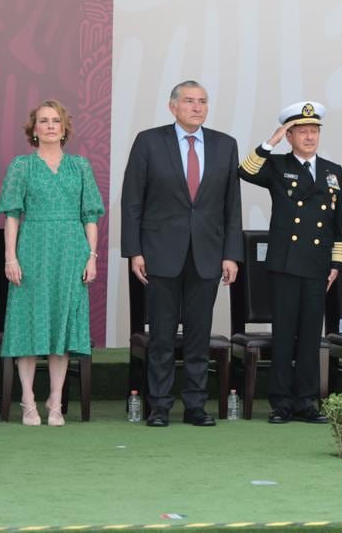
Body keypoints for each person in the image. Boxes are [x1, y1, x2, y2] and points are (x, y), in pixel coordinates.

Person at [121, 80, 243, 427]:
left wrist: (231, 254)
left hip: (207, 253)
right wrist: (134, 250)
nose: (197, 107)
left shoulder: (224, 145)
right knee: (161, 335)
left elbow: (231, 206)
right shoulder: (149, 141)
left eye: (203, 101)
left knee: (198, 336)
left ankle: (195, 406)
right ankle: (159, 406)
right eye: (189, 101)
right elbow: (132, 200)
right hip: (160, 252)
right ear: (172, 106)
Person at [237, 101, 342, 424]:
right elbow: (245, 170)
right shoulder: (277, 165)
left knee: (311, 335)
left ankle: (306, 402)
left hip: (317, 266)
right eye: (302, 132)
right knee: (285, 334)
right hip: (285, 263)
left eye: (314, 131)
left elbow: (339, 225)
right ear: (290, 136)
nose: (310, 137)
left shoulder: (332, 171)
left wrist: (336, 265)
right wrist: (269, 142)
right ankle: (281, 403)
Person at [0, 100, 104, 426]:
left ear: (64, 127)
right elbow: (12, 214)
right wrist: (10, 257)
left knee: (63, 327)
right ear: (34, 130)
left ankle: (55, 402)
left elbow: (90, 216)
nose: (50, 126)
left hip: (71, 252)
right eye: (43, 121)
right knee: (29, 326)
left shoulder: (80, 166)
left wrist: (92, 256)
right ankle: (28, 401)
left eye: (56, 120)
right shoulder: (21, 166)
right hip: (32, 250)